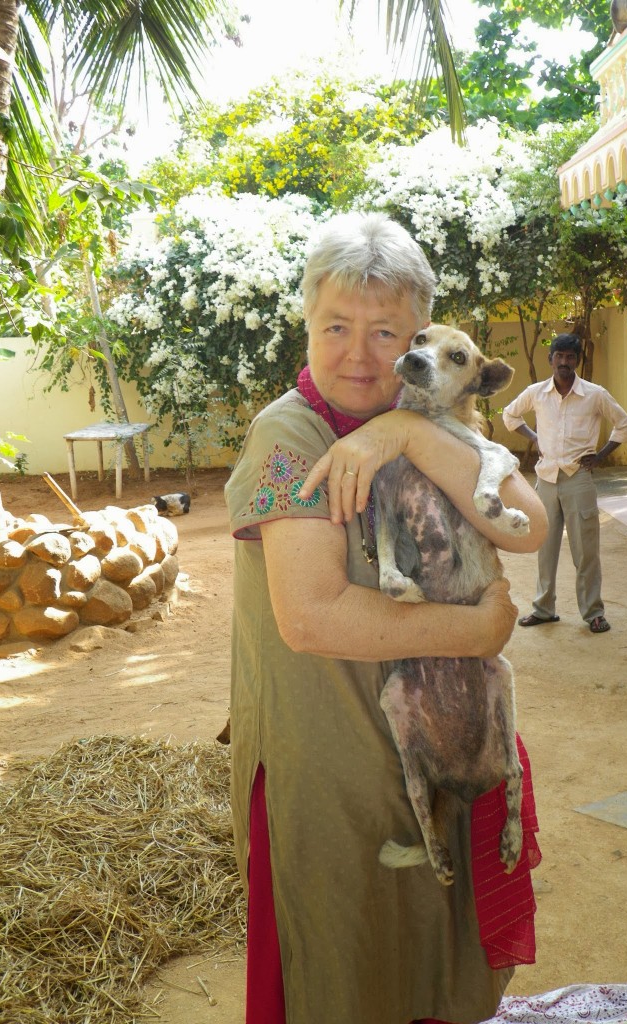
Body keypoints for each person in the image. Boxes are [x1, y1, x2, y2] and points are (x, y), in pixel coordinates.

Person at [225, 211, 548, 1024]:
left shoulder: (425, 425)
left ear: (418, 336)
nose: (360, 355)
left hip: (428, 751)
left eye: (386, 331)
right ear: (307, 323)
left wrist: (403, 429)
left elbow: (530, 524)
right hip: (328, 765)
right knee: (345, 969)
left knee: (430, 964)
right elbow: (311, 618)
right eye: (336, 326)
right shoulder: (288, 438)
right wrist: (473, 633)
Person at [502, 333, 627, 634]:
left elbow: (624, 424)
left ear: (577, 361)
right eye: (559, 356)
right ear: (550, 360)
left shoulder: (594, 394)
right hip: (546, 480)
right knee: (545, 548)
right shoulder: (536, 393)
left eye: (570, 357)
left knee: (585, 551)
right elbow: (510, 415)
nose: (564, 362)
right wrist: (534, 438)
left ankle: (593, 613)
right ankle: (543, 609)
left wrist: (600, 456)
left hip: (578, 480)